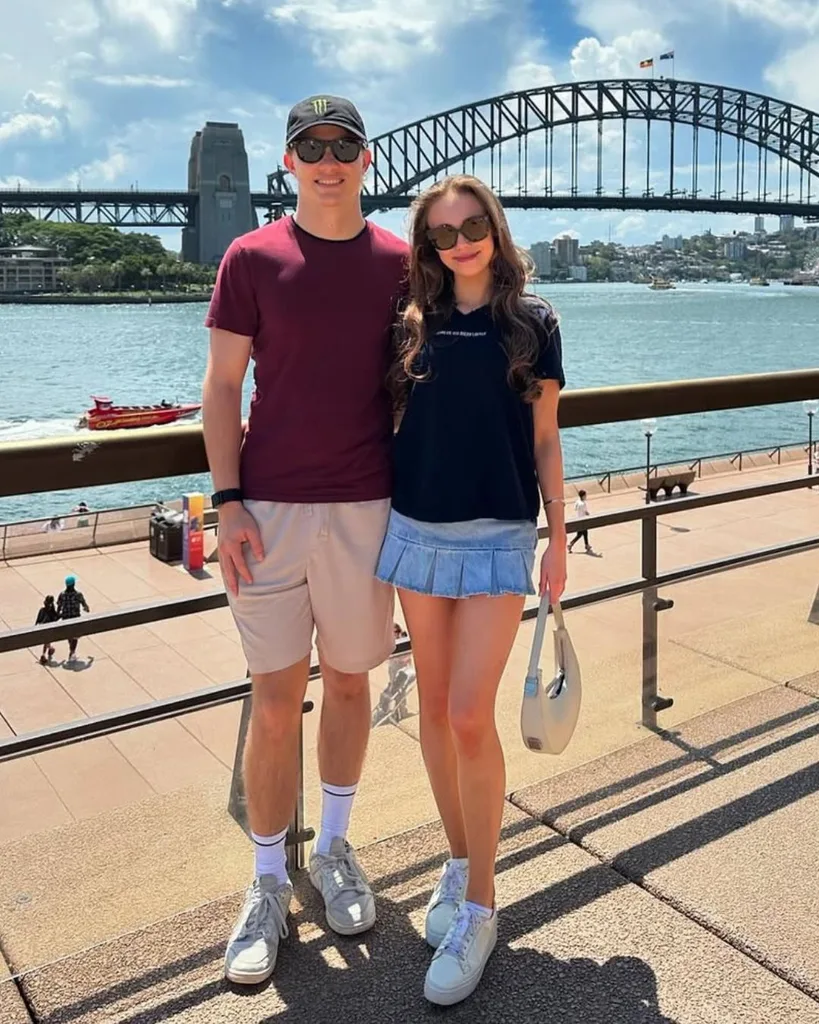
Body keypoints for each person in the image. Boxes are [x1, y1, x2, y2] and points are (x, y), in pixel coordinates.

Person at [202, 95, 408, 986]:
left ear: (366, 159)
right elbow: (220, 390)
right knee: (275, 698)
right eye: (309, 147)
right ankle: (264, 882)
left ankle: (331, 848)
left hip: (369, 506)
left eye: (343, 145)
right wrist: (227, 501)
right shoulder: (250, 257)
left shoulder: (404, 263)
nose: (327, 160)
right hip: (269, 512)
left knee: (353, 685)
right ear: (287, 163)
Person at [376, 174, 567, 1005]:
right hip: (415, 528)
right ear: (427, 247)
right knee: (429, 713)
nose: (460, 243)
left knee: (465, 713)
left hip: (495, 532)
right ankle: (460, 863)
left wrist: (558, 537)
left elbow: (547, 438)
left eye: (472, 226)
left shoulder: (532, 323)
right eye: (442, 234)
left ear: (494, 228)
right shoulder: (409, 324)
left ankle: (483, 905)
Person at [56, 575, 90, 663]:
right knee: (75, 636)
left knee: (70, 636)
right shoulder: (78, 594)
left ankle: (71, 651)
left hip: (65, 617)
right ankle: (72, 652)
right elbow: (84, 604)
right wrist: (86, 608)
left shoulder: (62, 594)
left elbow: (59, 606)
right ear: (73, 584)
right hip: (75, 617)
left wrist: (58, 614)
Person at [35, 595, 59, 665]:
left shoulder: (42, 610)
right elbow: (55, 618)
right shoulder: (51, 611)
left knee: (46, 642)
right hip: (48, 629)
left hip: (44, 628)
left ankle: (46, 652)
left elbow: (38, 620)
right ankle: (47, 652)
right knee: (46, 642)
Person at [568, 488, 592, 553]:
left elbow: (575, 508)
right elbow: (586, 512)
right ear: (583, 496)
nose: (586, 496)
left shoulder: (578, 501)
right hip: (582, 520)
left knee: (584, 533)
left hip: (578, 519)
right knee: (580, 534)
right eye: (585, 495)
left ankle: (586, 545)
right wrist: (589, 515)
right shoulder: (583, 504)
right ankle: (571, 544)